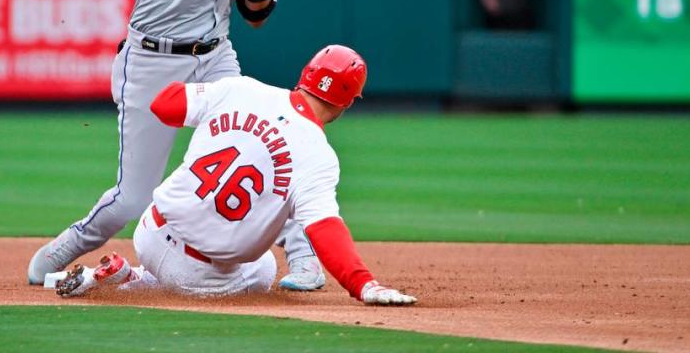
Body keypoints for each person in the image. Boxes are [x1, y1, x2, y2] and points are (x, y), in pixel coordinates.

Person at [27, 0, 325, 292]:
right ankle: (69, 244)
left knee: (264, 151)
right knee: (134, 199)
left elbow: (258, 15)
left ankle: (303, 257)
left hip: (216, 58)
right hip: (151, 61)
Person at [49, 45, 418, 306]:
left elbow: (165, 105)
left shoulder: (242, 89)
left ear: (305, 76)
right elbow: (325, 231)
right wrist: (363, 284)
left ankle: (128, 275)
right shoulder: (319, 156)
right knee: (265, 266)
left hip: (150, 232)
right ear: (347, 102)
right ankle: (131, 284)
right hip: (198, 275)